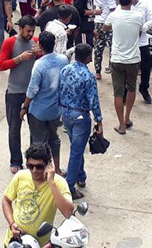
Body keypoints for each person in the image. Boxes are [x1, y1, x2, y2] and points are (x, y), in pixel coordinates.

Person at [2, 143, 73, 247]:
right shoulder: (20, 176)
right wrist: (12, 224)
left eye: (39, 167)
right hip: (15, 242)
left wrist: (51, 183)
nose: (34, 171)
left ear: (49, 165)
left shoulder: (59, 183)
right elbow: (6, 200)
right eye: (30, 166)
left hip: (41, 244)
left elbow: (67, 212)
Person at [57, 43, 102, 199]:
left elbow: (59, 90)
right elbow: (93, 101)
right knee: (76, 151)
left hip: (66, 113)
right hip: (80, 116)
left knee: (76, 146)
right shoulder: (88, 76)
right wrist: (99, 121)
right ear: (88, 56)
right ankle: (69, 186)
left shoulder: (65, 69)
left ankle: (80, 175)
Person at [22, 31, 69, 175]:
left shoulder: (39, 65)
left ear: (40, 46)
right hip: (55, 109)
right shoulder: (63, 60)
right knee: (54, 139)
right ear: (54, 44)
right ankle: (57, 169)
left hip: (39, 111)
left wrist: (25, 106)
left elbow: (32, 89)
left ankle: (40, 172)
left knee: (39, 144)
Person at [0, 16, 41, 174]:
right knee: (14, 128)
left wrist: (39, 54)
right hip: (15, 92)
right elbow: (1, 64)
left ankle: (33, 160)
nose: (31, 34)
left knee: (35, 129)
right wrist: (19, 58)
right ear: (21, 29)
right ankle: (15, 160)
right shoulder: (10, 42)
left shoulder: (35, 41)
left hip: (32, 93)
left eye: (33, 31)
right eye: (28, 31)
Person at [102, 0, 145, 134]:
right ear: (131, 1)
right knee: (132, 88)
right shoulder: (138, 16)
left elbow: (105, 28)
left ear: (118, 1)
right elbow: (139, 32)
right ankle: (127, 118)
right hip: (133, 59)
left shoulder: (114, 15)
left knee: (118, 93)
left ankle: (121, 124)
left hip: (117, 59)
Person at [92, 0, 117, 78]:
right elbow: (112, 7)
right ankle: (112, 68)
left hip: (98, 19)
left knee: (99, 46)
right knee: (113, 46)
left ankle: (97, 71)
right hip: (108, 20)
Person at [132, 0, 152, 104]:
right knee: (130, 69)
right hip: (130, 43)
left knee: (146, 68)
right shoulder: (124, 6)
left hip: (142, 42)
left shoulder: (144, 6)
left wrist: (143, 27)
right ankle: (127, 92)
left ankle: (144, 88)